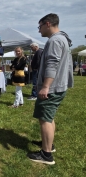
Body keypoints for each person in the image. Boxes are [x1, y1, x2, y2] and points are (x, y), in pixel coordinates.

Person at [27, 13, 73, 165]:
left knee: (45, 119)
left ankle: (46, 155)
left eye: (39, 27)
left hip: (51, 88)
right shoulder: (62, 38)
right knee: (49, 117)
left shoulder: (55, 40)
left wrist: (45, 86)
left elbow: (52, 64)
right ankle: (49, 145)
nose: (39, 30)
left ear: (47, 24)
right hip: (58, 86)